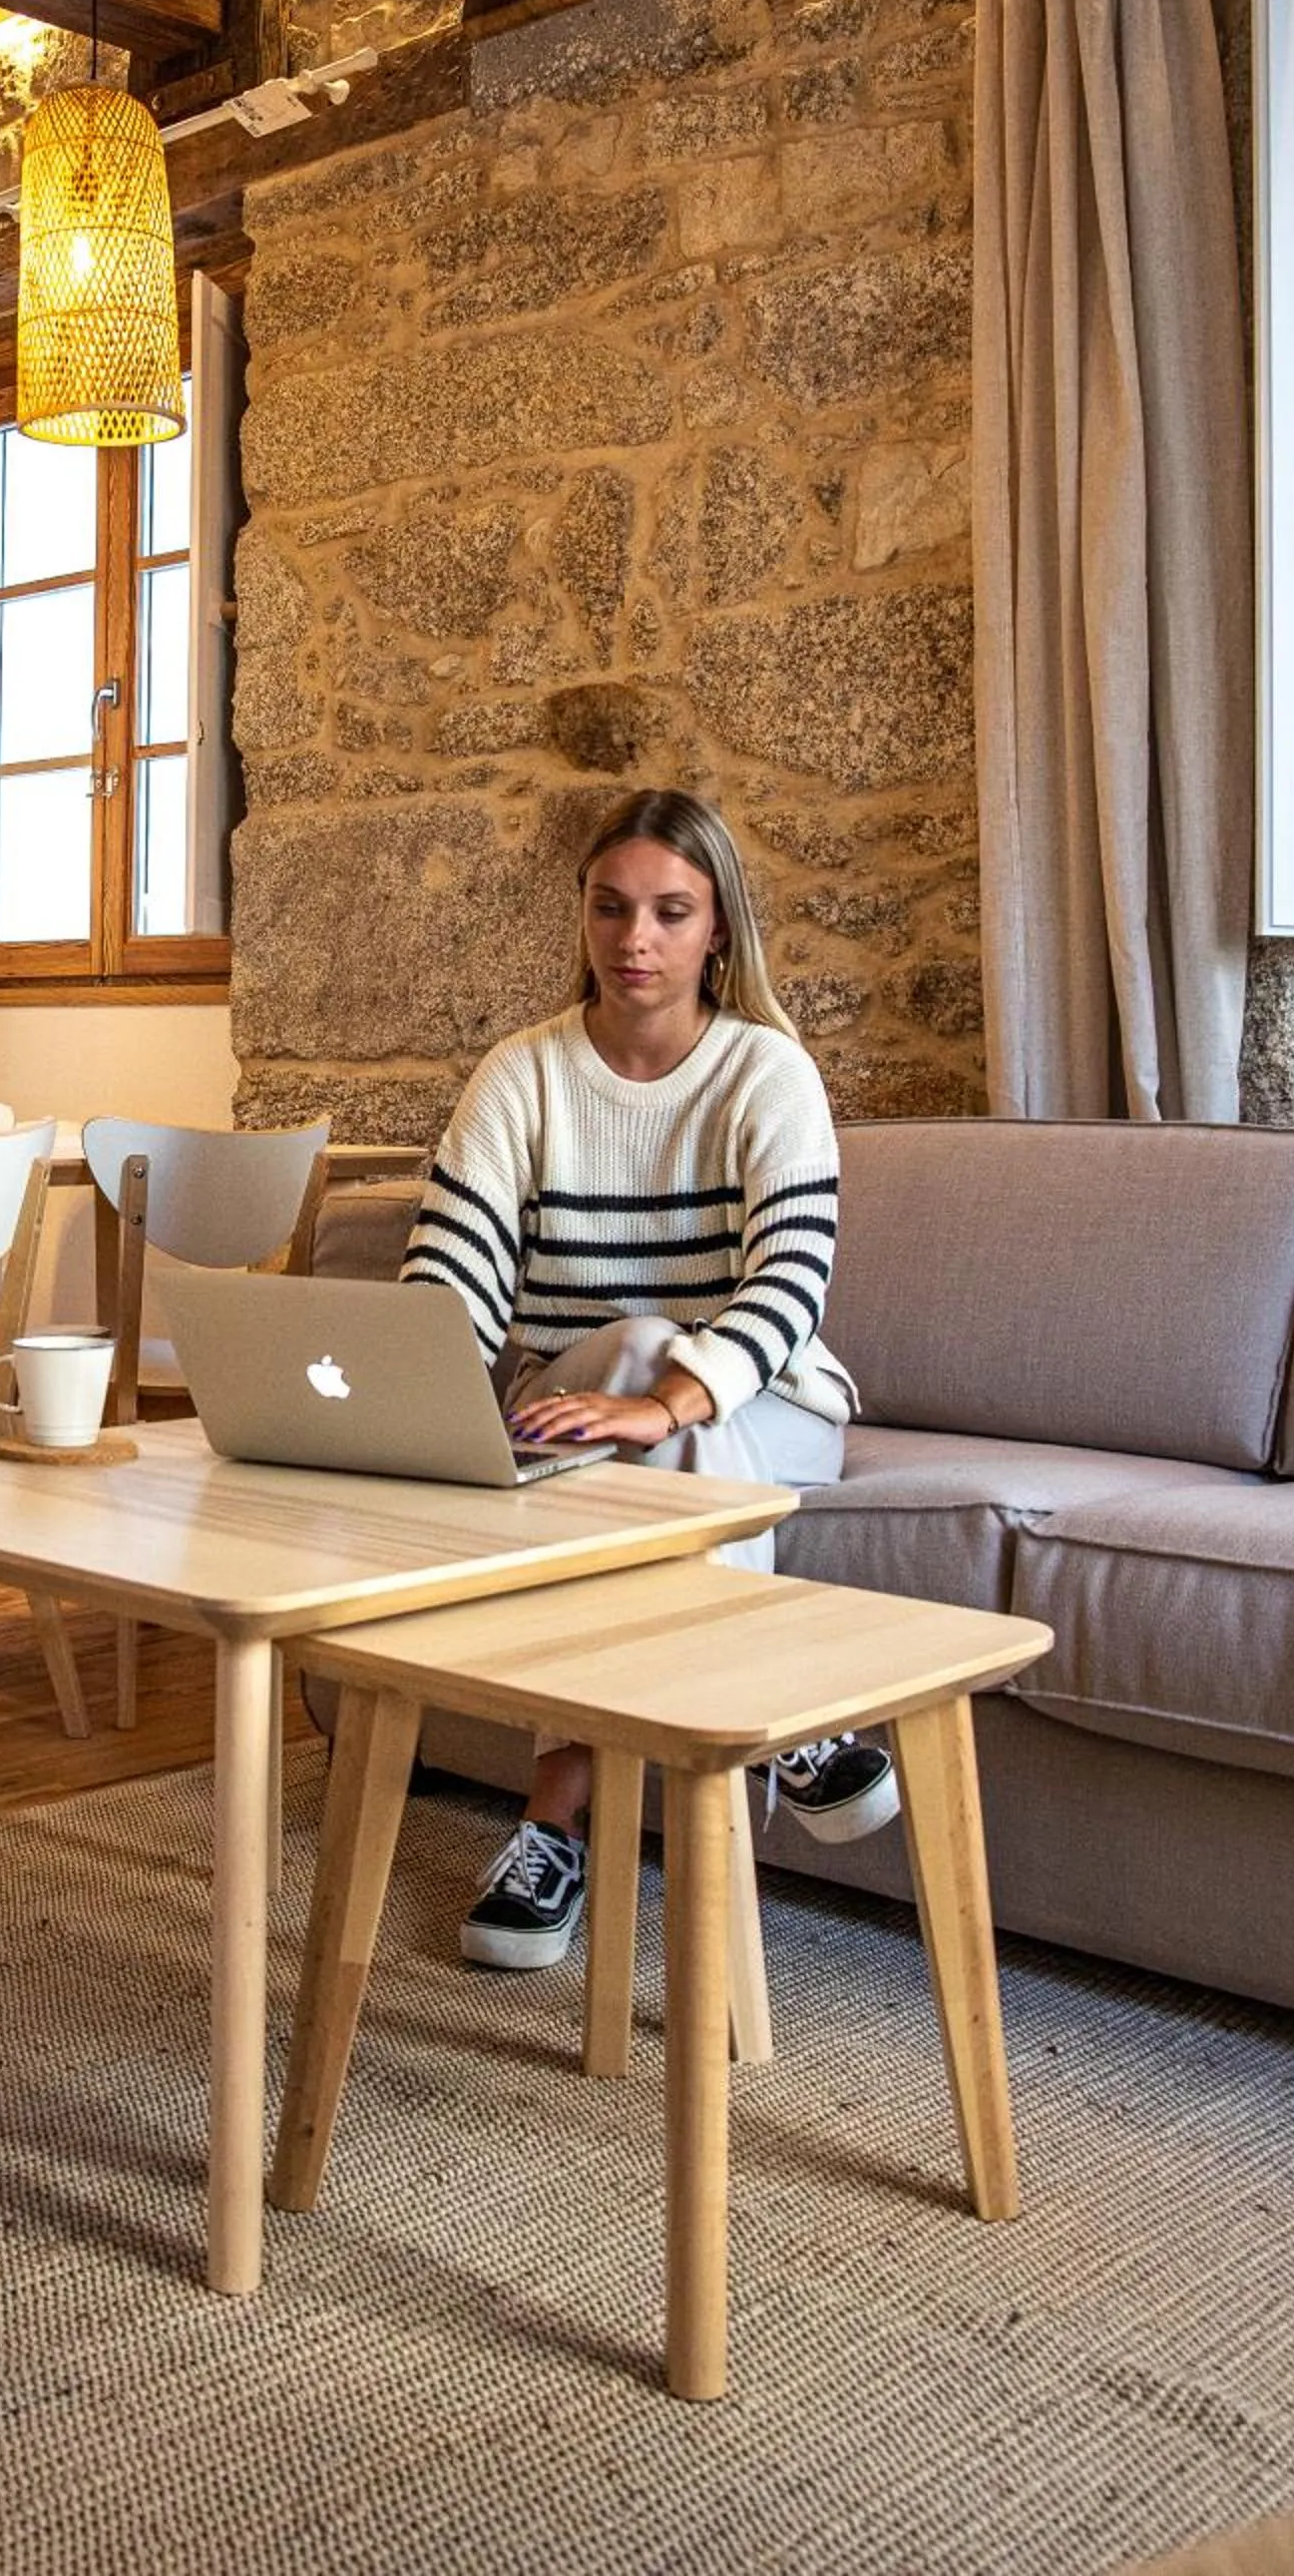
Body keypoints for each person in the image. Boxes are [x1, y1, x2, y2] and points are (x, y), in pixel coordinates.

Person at [400, 785, 896, 1971]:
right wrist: (423, 1421)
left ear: (718, 929)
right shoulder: (520, 1076)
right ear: (582, 915)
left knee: (640, 1364)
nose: (637, 940)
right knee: (616, 1379)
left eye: (672, 913)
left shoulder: (765, 1074)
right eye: (612, 908)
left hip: (764, 1410)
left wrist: (664, 1393)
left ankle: (552, 1829)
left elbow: (790, 1285)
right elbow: (449, 1277)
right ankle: (779, 1715)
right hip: (581, 1407)